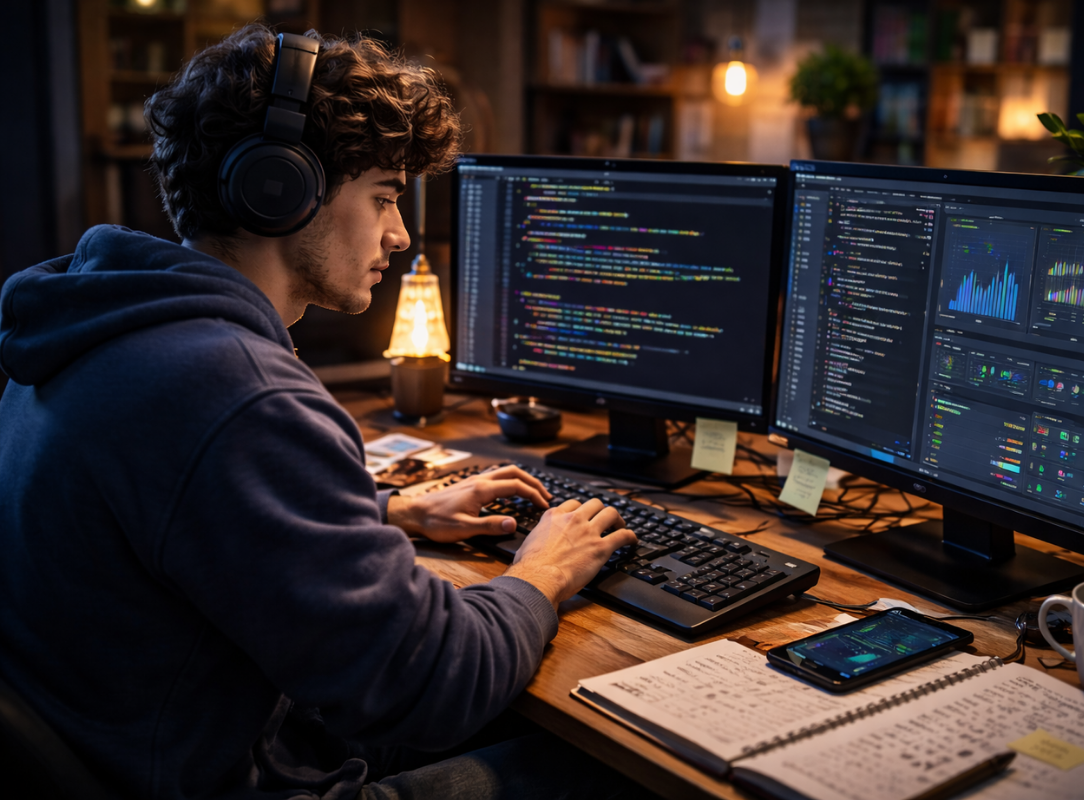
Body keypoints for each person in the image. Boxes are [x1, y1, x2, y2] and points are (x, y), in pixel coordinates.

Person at [0, 24, 647, 800]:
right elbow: (436, 686)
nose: (401, 236)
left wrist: (390, 510)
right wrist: (541, 572)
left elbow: (175, 515)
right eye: (382, 198)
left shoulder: (101, 328)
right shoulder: (237, 393)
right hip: (237, 779)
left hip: (148, 750)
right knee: (621, 764)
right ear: (280, 189)